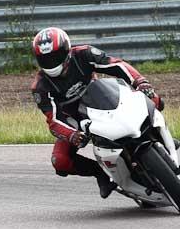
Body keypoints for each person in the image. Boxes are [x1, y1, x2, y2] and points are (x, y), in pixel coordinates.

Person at [30, 27, 164, 198]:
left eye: (55, 57)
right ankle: (101, 173)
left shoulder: (84, 54)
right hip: (76, 121)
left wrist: (140, 81)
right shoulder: (40, 87)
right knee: (60, 161)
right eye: (46, 60)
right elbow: (54, 120)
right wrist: (72, 135)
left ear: (67, 50)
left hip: (104, 99)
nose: (52, 63)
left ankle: (161, 136)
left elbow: (116, 64)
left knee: (155, 100)